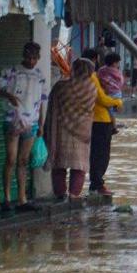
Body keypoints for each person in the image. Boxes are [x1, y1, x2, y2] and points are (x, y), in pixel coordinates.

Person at [0, 42, 48, 211]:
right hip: (12, 120)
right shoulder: (12, 72)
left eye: (34, 58)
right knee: (11, 159)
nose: (31, 61)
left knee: (23, 161)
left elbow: (42, 102)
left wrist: (41, 124)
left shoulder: (40, 76)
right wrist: (8, 95)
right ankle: (6, 199)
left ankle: (22, 200)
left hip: (32, 123)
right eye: (29, 57)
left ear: (38, 58)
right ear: (24, 55)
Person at [45, 58, 99, 201]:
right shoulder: (92, 88)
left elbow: (52, 107)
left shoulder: (60, 87)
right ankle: (74, 195)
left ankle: (60, 194)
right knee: (79, 166)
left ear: (74, 69)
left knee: (59, 164)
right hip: (82, 132)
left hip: (60, 130)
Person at [83, 49, 123, 196]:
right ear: (94, 60)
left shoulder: (89, 76)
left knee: (97, 154)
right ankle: (97, 184)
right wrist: (117, 102)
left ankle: (96, 184)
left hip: (94, 119)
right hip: (100, 120)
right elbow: (101, 98)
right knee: (101, 155)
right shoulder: (92, 77)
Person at [97, 52, 125, 133]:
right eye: (118, 62)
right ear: (114, 63)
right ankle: (113, 127)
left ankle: (113, 126)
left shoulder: (101, 70)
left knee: (109, 110)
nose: (118, 64)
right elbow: (121, 81)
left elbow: (99, 78)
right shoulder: (116, 71)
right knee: (112, 111)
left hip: (106, 93)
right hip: (116, 93)